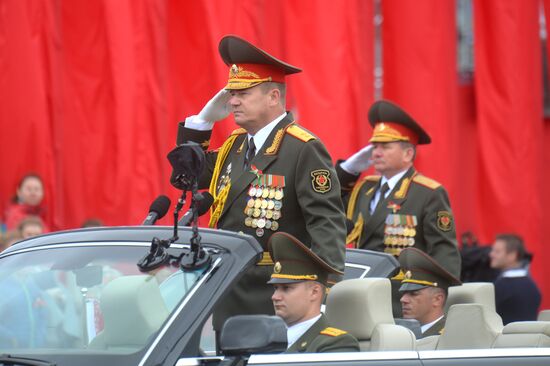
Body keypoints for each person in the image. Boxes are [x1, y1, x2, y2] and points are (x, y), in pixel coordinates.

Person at [174, 35, 346, 335]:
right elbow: (187, 178)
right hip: (228, 288)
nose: (233, 101)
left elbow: (326, 223)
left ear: (273, 97)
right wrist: (201, 123)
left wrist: (324, 290)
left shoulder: (302, 148)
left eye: (244, 92)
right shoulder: (234, 146)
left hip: (276, 292)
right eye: (231, 93)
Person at [336, 100, 461, 315]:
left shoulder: (428, 193)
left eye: (385, 147)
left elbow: (444, 252)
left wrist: (437, 303)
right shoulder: (364, 188)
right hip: (357, 291)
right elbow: (328, 201)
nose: (376, 153)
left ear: (408, 154)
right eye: (374, 147)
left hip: (399, 296)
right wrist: (348, 170)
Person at [268, 231, 359, 353]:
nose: (275, 296)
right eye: (275, 288)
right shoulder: (265, 340)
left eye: (286, 288)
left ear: (314, 292)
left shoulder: (335, 344)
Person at [398, 247, 462, 338]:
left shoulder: (450, 336)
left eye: (413, 293)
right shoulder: (401, 332)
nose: (403, 299)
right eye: (403, 293)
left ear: (437, 299)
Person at [489, 233, 541, 325]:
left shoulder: (499, 287)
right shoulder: (533, 286)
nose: (491, 254)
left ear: (512, 255)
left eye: (497, 251)